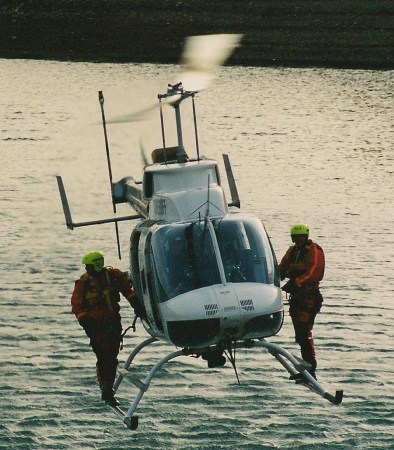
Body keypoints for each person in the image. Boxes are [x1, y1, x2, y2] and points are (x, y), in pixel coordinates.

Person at [71, 251, 141, 406]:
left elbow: (127, 292)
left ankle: (108, 389)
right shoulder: (83, 283)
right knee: (104, 358)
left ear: (96, 265)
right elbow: (76, 306)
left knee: (112, 357)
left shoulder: (113, 276)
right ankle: (106, 391)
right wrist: (86, 323)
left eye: (88, 266)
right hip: (96, 326)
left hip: (113, 324)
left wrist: (138, 306)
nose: (86, 269)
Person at [278, 224, 325, 380]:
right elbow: (282, 269)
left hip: (309, 299)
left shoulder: (314, 251)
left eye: (300, 237)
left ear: (306, 236)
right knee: (300, 335)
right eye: (295, 237)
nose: (298, 240)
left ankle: (311, 368)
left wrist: (296, 283)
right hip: (297, 299)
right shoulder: (292, 251)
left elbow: (313, 274)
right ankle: (307, 369)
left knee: (305, 334)